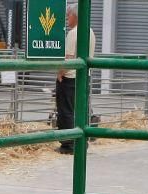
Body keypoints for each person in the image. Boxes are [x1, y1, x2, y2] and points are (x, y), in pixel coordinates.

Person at [56, 3, 96, 155]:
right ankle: (81, 141)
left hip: (70, 77)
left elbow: (69, 57)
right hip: (84, 77)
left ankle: (69, 143)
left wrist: (60, 73)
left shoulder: (74, 33)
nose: (67, 18)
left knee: (66, 111)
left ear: (75, 16)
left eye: (68, 15)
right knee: (80, 111)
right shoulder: (90, 31)